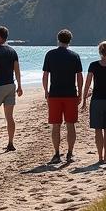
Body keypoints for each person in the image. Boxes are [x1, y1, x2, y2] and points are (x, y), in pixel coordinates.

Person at [41, 29, 84, 165]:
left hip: (55, 94)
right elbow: (79, 76)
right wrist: (80, 92)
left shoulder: (50, 54)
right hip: (70, 94)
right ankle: (70, 153)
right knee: (70, 124)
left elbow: (45, 75)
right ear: (70, 40)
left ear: (58, 39)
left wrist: (46, 91)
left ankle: (56, 154)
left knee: (56, 125)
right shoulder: (74, 56)